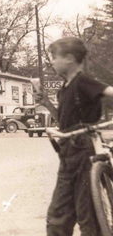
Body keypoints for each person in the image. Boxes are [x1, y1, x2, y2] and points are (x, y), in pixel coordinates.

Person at [41, 37, 113, 235]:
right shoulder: (64, 89)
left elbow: (109, 92)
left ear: (70, 58)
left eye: (55, 57)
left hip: (84, 150)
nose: (52, 62)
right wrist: (55, 126)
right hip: (68, 151)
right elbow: (66, 120)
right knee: (58, 214)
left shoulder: (83, 81)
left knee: (87, 212)